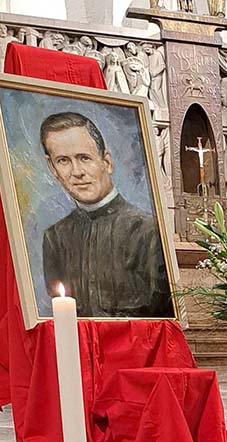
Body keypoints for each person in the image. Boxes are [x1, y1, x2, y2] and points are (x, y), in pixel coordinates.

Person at [40, 112, 174, 318]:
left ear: (107, 162)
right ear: (53, 168)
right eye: (63, 160)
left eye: (84, 158)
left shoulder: (147, 231)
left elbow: (162, 318)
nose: (77, 171)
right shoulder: (55, 237)